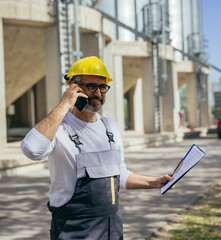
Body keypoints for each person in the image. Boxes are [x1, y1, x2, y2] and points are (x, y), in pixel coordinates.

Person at [21, 56, 173, 240]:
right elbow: (31, 149)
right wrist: (64, 105)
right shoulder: (59, 128)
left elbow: (118, 172)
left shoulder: (110, 127)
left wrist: (154, 182)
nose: (98, 94)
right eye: (91, 86)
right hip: (74, 230)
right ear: (73, 88)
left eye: (103, 87)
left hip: (111, 228)